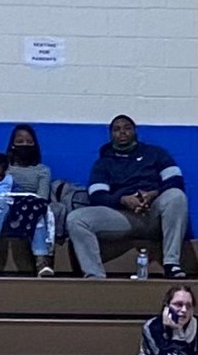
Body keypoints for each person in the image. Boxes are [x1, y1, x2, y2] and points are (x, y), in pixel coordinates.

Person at [67, 115, 188, 280]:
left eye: (127, 128)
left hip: (154, 213)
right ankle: (95, 276)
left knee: (176, 196)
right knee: (76, 218)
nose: (122, 132)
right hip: (123, 216)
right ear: (111, 135)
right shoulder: (103, 163)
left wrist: (153, 194)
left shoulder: (156, 153)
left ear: (135, 131)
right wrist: (123, 199)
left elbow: (175, 181)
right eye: (117, 129)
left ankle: (171, 264)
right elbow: (97, 196)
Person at [0, 151, 54, 278]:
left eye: (0, 175)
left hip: (16, 209)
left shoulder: (11, 181)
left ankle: (41, 261)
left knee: (36, 211)